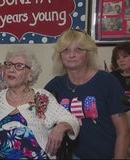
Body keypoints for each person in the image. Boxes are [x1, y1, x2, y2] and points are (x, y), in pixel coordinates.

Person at [0, 46, 80, 159]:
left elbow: (72, 120)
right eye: (8, 65)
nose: (11, 69)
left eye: (19, 66)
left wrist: (60, 128)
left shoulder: (41, 97)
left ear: (30, 75)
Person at [44, 29, 130, 159]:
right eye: (66, 50)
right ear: (60, 55)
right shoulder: (55, 85)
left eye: (79, 50)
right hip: (72, 155)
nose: (71, 55)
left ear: (88, 53)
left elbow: (123, 131)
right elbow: (35, 112)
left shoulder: (107, 81)